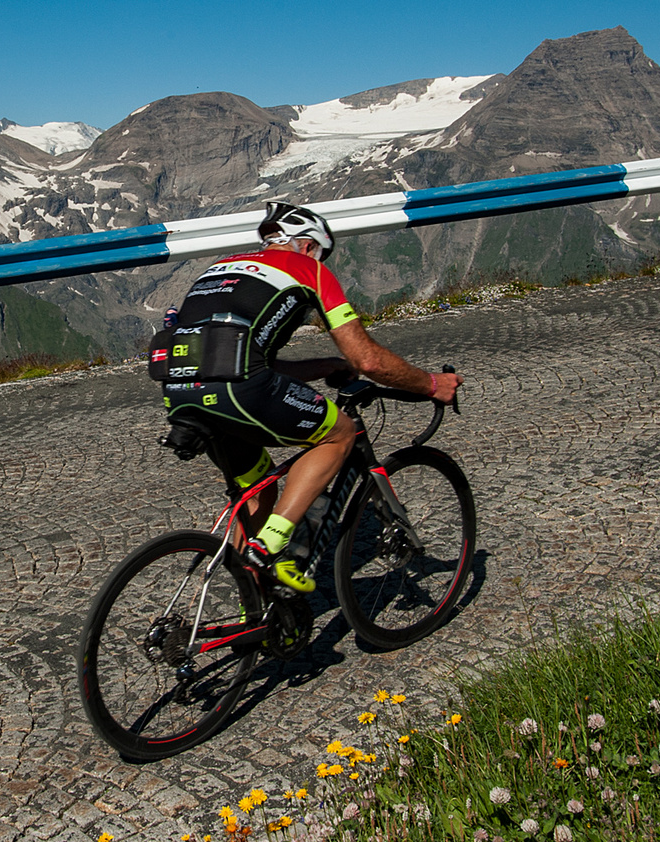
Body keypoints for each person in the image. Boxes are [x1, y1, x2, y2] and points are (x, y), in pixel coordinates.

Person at [157, 201, 463, 592]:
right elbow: (367, 359)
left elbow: (242, 356)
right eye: (322, 253)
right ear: (305, 246)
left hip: (180, 392)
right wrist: (432, 384)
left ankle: (250, 607)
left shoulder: (220, 268)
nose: (323, 261)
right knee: (341, 432)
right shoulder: (308, 269)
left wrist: (326, 366)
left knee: (258, 489)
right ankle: (269, 547)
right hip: (237, 389)